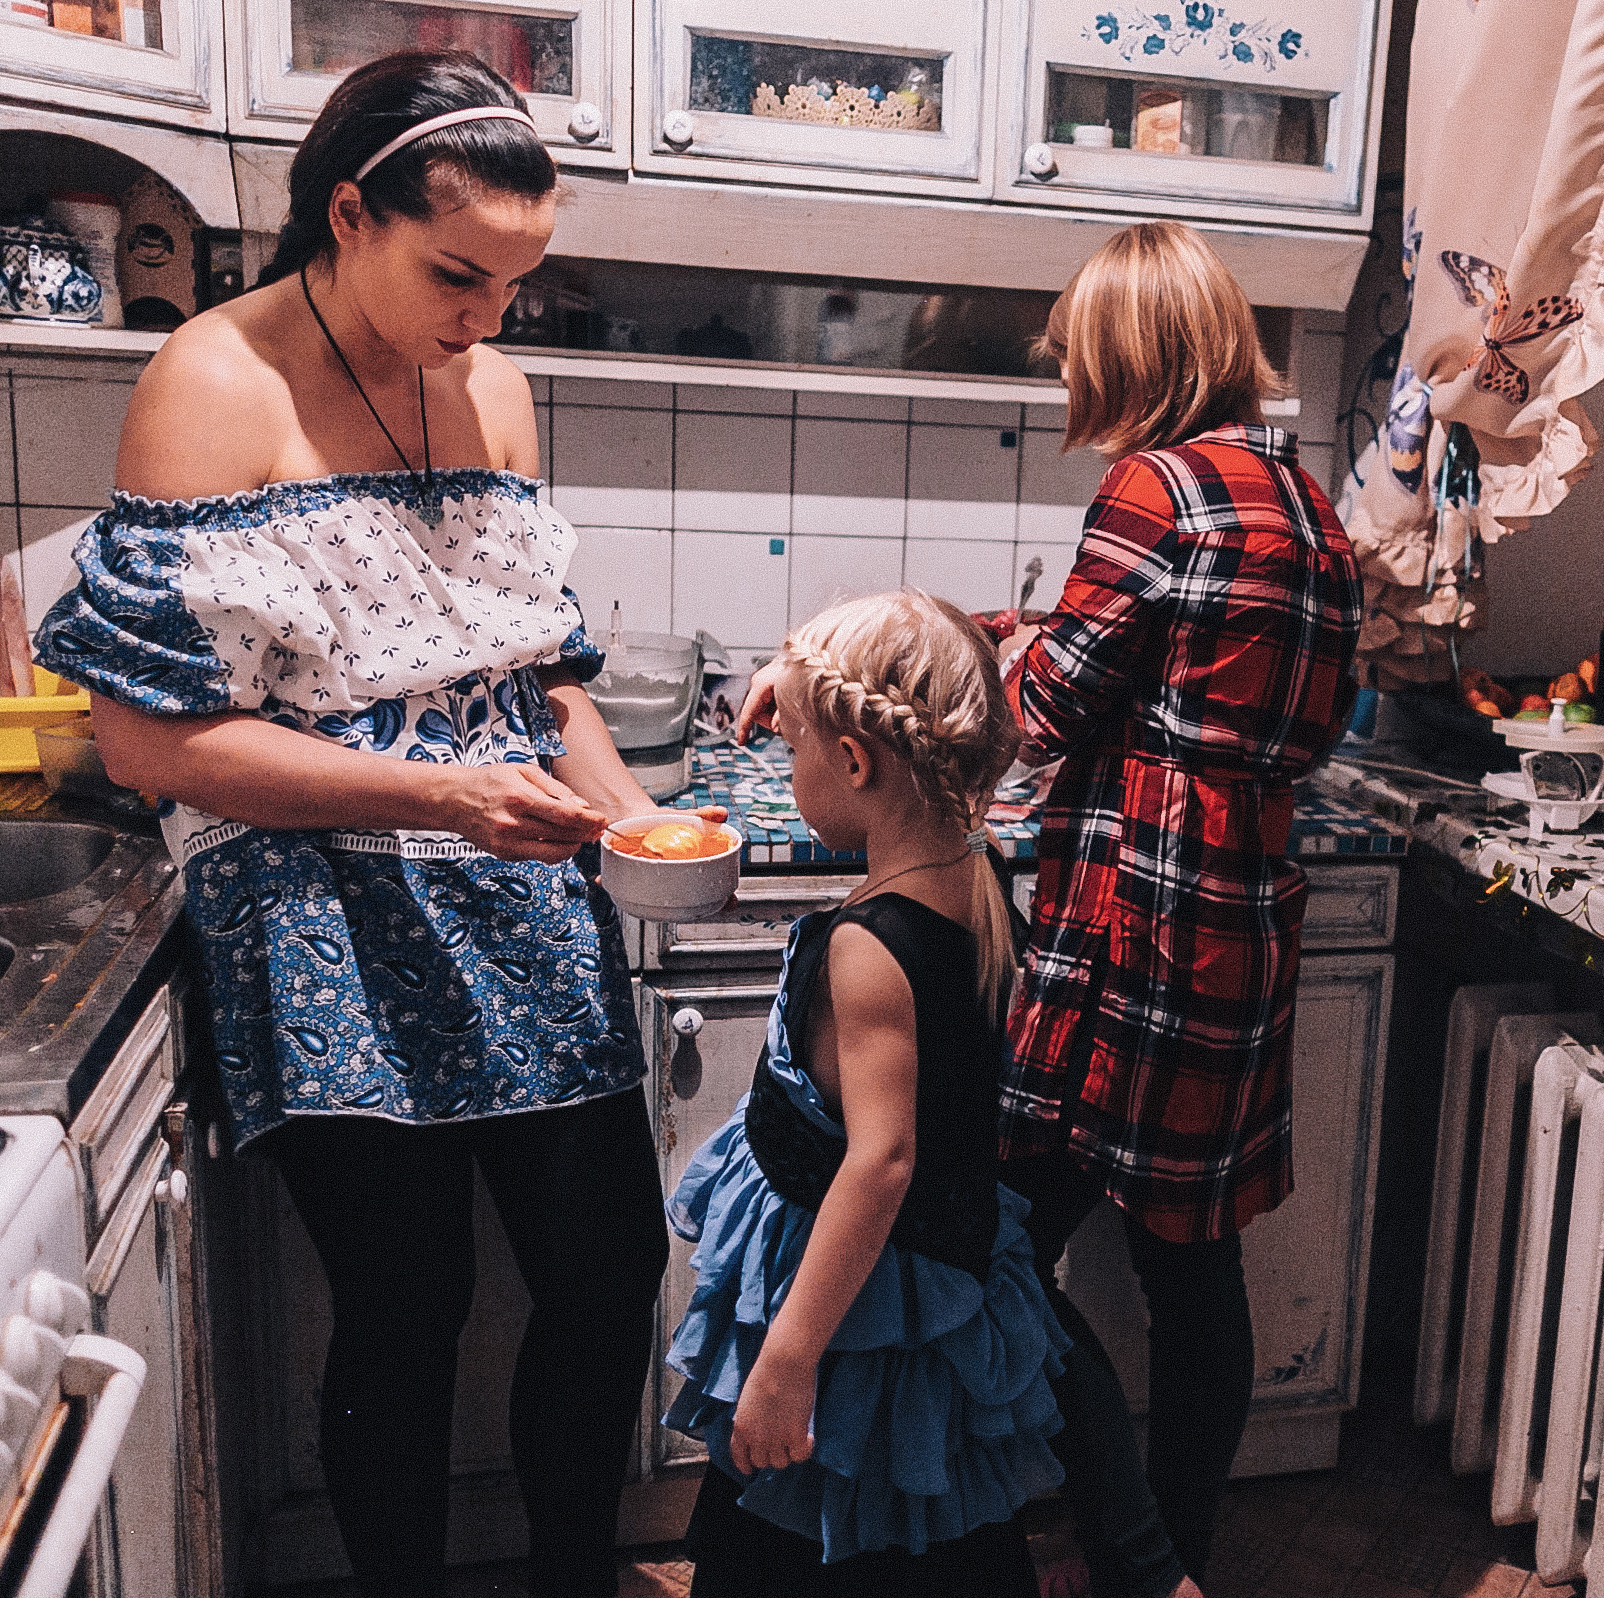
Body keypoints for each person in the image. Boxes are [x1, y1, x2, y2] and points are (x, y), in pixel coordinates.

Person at [32, 52, 668, 1598]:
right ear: (347, 213)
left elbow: (541, 681)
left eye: (517, 282)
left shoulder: (494, 387)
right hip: (318, 909)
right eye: (459, 273)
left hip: (514, 883)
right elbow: (152, 736)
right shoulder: (211, 380)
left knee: (606, 1274)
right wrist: (443, 791)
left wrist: (636, 818)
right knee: (405, 1303)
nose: (486, 317)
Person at [997, 220, 1365, 1598]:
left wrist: (1009, 653)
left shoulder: (1155, 486)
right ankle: (1175, 1551)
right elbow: (1260, 696)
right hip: (1237, 907)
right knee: (1188, 1268)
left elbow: (1043, 713)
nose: (1070, 375)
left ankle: (1114, 1553)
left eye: (1082, 351)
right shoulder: (1303, 497)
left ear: (1129, 353)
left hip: (1129, 908)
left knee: (994, 1235)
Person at [676, 591, 1071, 1597]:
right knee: (929, 1546)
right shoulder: (972, 876)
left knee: (797, 1550)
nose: (789, 760)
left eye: (800, 743)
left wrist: (788, 1357)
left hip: (850, 1326)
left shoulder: (867, 950)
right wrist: (803, 684)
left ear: (856, 761)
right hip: (930, 1293)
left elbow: (881, 1159)